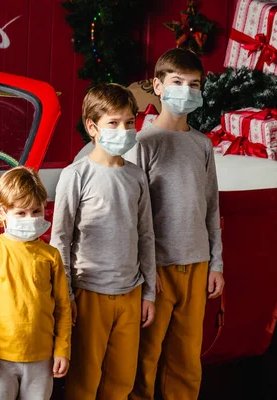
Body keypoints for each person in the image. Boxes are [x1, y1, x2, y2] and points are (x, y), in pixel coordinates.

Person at [125, 48, 225, 400]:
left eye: (194, 84)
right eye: (177, 82)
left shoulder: (202, 144)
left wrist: (216, 264)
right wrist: (143, 274)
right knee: (145, 356)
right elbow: (134, 215)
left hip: (197, 265)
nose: (186, 90)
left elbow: (212, 208)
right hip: (158, 268)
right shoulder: (142, 142)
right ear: (158, 85)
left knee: (186, 358)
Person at [50, 83, 157, 400]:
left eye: (129, 123)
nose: (123, 130)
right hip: (89, 294)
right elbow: (61, 240)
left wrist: (148, 292)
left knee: (122, 381)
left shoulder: (137, 176)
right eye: (114, 123)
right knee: (84, 381)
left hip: (130, 294)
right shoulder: (76, 175)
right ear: (92, 127)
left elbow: (146, 235)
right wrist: (66, 294)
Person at [0, 166, 72, 400]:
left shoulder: (50, 255)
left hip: (42, 359)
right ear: (2, 212)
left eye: (36, 211)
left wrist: (62, 349)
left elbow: (63, 306)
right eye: (21, 213)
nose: (31, 219)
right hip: (0, 358)